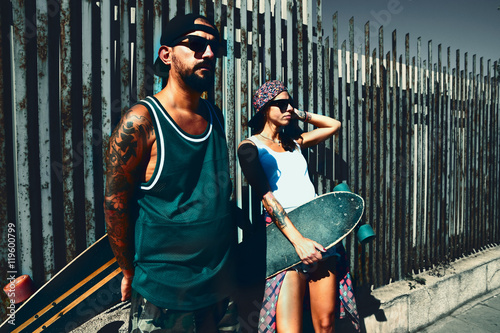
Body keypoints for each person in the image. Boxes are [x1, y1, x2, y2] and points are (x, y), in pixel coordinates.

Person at [104, 13, 239, 333]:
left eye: (214, 46)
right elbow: (115, 204)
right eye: (195, 44)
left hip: (220, 294)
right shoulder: (141, 121)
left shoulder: (214, 115)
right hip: (164, 299)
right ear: (166, 55)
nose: (207, 53)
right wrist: (127, 271)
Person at [237, 80, 358, 333]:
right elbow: (267, 198)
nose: (288, 109)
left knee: (325, 324)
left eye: (290, 103)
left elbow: (333, 125)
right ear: (263, 108)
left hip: (319, 230)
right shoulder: (249, 147)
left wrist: (297, 111)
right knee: (288, 329)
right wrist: (298, 242)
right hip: (284, 238)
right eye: (280, 105)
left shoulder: (295, 142)